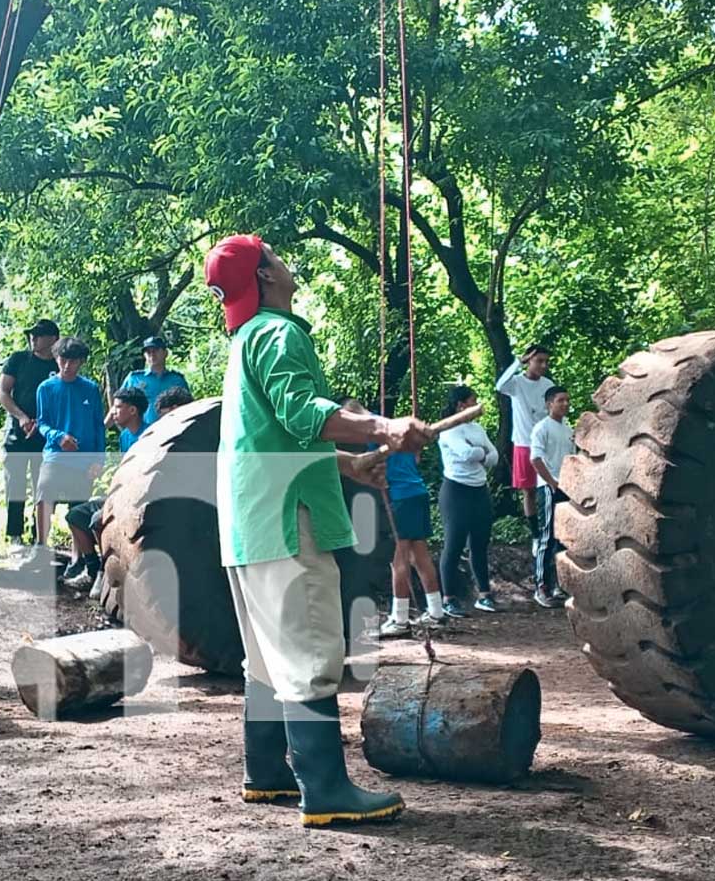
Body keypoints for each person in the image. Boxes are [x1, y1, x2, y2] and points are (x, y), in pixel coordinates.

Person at [206, 232, 431, 826]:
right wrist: (382, 428)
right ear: (266, 279)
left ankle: (268, 773)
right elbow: (301, 412)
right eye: (275, 257)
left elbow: (271, 441)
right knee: (309, 651)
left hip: (250, 522)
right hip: (286, 520)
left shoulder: (244, 343)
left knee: (267, 657)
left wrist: (352, 464)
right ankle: (326, 790)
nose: (286, 262)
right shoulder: (279, 334)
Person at [342, 399, 447, 636]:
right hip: (417, 493)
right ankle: (436, 611)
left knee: (398, 558)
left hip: (400, 497)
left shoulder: (371, 431)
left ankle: (399, 619)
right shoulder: (392, 425)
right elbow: (416, 457)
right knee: (419, 555)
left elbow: (368, 466)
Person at [61, 385, 146, 591]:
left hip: (137, 498)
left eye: (117, 408)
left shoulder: (147, 435)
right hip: (120, 494)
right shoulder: (125, 435)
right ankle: (92, 568)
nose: (113, 413)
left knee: (97, 520)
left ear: (133, 411)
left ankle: (104, 572)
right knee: (75, 515)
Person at [34, 337, 105, 553]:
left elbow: (98, 427)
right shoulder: (45, 388)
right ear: (56, 359)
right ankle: (41, 547)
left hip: (84, 460)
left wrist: (98, 461)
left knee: (78, 508)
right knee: (44, 493)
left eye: (73, 361)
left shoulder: (91, 389)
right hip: (55, 455)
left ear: (81, 362)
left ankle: (79, 558)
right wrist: (58, 436)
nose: (67, 366)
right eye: (63, 360)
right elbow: (42, 423)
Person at [437, 385, 500, 617]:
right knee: (453, 544)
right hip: (456, 491)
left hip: (479, 490)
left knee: (480, 544)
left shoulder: (477, 429)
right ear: (461, 405)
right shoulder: (449, 430)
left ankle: (484, 595)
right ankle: (448, 598)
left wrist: (479, 452)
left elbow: (493, 456)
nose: (476, 405)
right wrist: (480, 453)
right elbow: (466, 454)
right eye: (473, 401)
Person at [0, 318, 60, 546]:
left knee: (43, 486)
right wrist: (22, 417)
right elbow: (3, 392)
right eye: (31, 334)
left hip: (46, 436)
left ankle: (40, 537)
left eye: (39, 334)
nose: (33, 338)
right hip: (17, 433)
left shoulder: (59, 364)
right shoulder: (19, 359)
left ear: (53, 339)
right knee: (15, 485)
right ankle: (15, 536)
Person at [496, 344, 554, 540]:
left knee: (548, 486)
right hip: (523, 443)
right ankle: (535, 533)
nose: (543, 365)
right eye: (539, 361)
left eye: (546, 362)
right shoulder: (517, 383)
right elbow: (500, 385)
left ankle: (551, 529)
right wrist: (517, 364)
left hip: (545, 444)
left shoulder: (547, 385)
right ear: (529, 361)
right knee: (527, 490)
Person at [529, 385, 575, 607]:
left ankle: (561, 584)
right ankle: (541, 586)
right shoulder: (541, 428)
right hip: (549, 488)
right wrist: (551, 482)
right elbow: (535, 458)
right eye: (560, 400)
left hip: (567, 487)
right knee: (547, 536)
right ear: (549, 404)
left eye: (567, 400)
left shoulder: (568, 429)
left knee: (564, 539)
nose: (565, 404)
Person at [118, 335, 192, 428]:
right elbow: (118, 406)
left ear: (165, 353)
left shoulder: (177, 380)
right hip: (142, 433)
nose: (152, 354)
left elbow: (189, 408)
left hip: (172, 431)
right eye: (148, 352)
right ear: (144, 355)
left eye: (156, 350)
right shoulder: (134, 379)